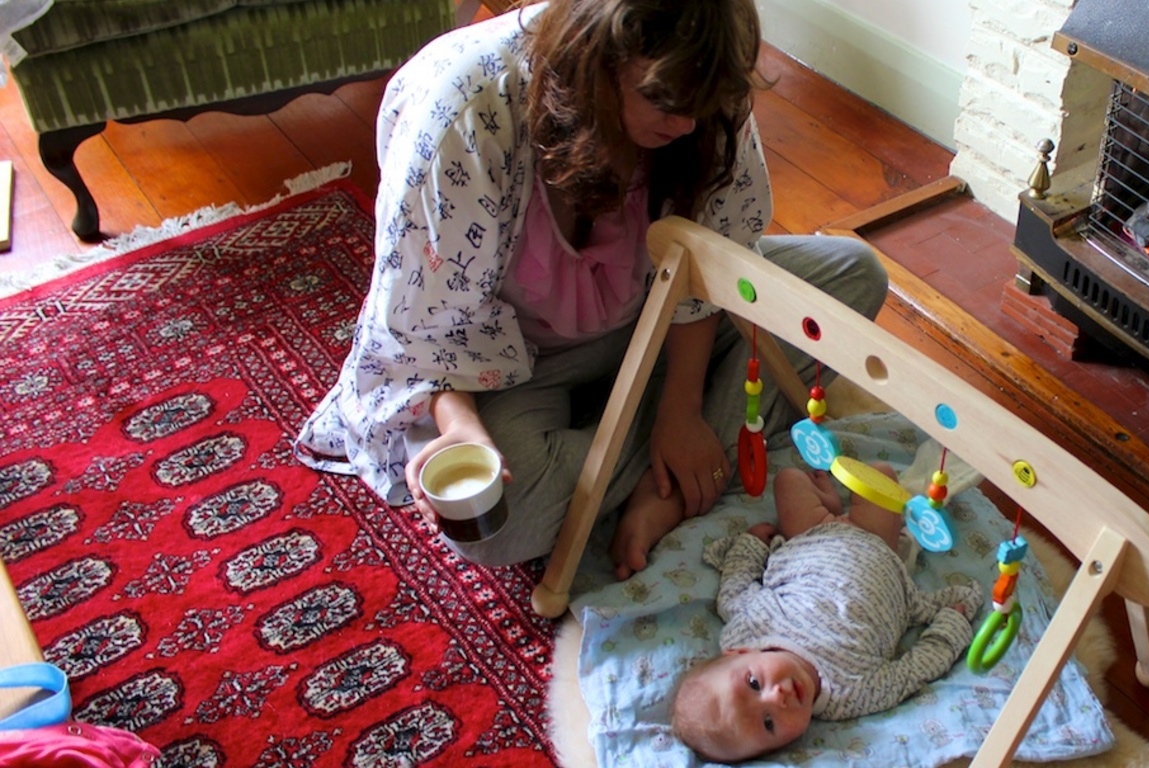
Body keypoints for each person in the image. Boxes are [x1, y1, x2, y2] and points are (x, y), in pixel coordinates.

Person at [294, 0, 888, 580]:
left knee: (853, 277)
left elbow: (710, 262)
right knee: (501, 519)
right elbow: (430, 328)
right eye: (663, 102)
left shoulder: (702, 89)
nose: (685, 126)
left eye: (701, 109)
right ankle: (683, 460)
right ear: (597, 57)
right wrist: (462, 429)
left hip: (650, 314)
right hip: (514, 361)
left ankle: (665, 461)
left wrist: (681, 409)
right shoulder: (469, 113)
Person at [671, 463, 982, 762]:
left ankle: (826, 501)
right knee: (880, 475)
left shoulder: (752, 626)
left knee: (789, 480)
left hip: (809, 536)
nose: (776, 698)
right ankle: (836, 504)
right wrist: (950, 625)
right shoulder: (852, 694)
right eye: (769, 724)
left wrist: (750, 544)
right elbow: (915, 670)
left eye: (753, 684)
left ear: (738, 652)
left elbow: (734, 586)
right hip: (876, 545)